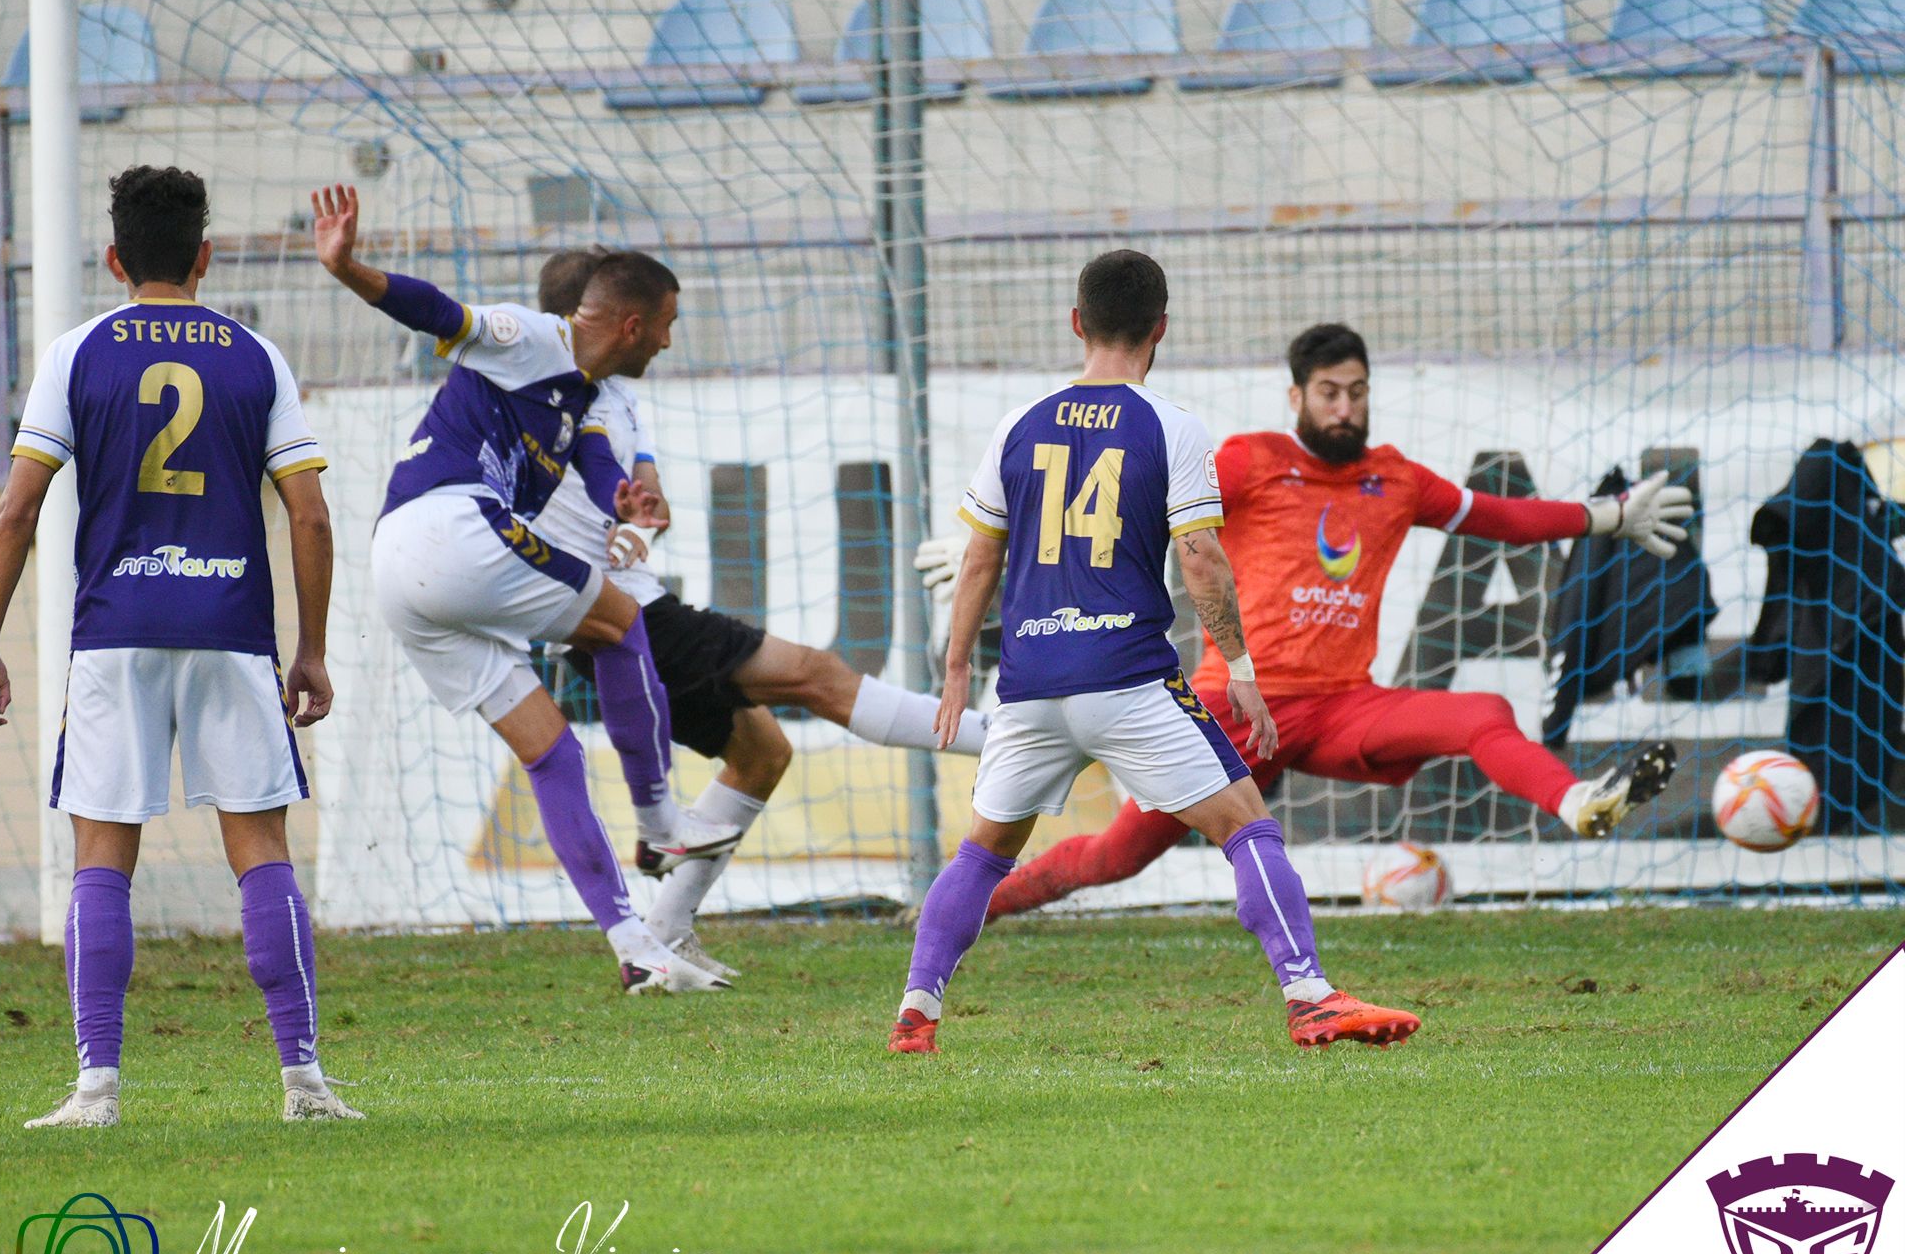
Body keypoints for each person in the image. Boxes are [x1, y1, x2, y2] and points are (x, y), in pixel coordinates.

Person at [921, 321, 1689, 920]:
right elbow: (1118, 498)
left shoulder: (1398, 478)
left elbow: (1501, 518)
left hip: (1340, 706)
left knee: (1482, 712)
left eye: (1357, 392)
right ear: (1297, 398)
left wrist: (1607, 516)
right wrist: (990, 543)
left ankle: (1577, 801)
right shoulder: (1250, 461)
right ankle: (974, 910)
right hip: (1233, 708)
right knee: (1118, 858)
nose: (1346, 408)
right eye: (1329, 392)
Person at [889, 252, 1422, 1055]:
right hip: (1127, 679)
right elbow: (1201, 557)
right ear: (1160, 330)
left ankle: (915, 1015)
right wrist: (1241, 669)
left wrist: (959, 667)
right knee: (1247, 828)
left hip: (1028, 683)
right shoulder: (1170, 426)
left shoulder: (1019, 423)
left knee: (981, 852)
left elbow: (978, 560)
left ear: (1077, 323)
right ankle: (1310, 995)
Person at [0, 165, 360, 1126]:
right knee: (262, 851)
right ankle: (303, 1083)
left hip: (116, 633)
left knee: (102, 856)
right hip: (230, 631)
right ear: (206, 256)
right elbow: (309, 517)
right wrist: (309, 649)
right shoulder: (256, 356)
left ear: (113, 259)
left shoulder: (75, 354)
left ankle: (96, 1088)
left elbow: (20, 508)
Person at [522, 248, 991, 981]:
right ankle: (1014, 744)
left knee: (763, 753)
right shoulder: (546, 396)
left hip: (629, 613)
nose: (667, 341)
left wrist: (642, 514)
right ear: (608, 318)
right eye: (660, 324)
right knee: (819, 676)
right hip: (622, 622)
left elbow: (640, 492)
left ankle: (661, 940)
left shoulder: (616, 397)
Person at [311, 185, 734, 994]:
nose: (672, 343)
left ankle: (633, 947)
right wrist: (348, 267)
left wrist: (629, 502)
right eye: (670, 326)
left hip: (404, 576)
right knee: (621, 621)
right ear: (636, 325)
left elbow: (604, 469)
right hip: (449, 525)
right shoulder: (535, 337)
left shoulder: (584, 399)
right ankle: (660, 823)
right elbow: (440, 313)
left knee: (551, 750)